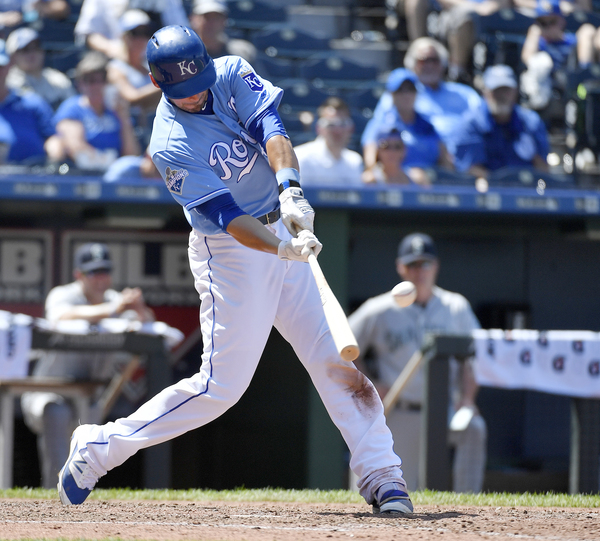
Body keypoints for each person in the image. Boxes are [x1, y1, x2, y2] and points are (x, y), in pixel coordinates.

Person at [57, 25, 413, 516]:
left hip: (279, 222)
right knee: (219, 389)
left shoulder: (230, 73)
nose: (195, 93)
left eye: (198, 80)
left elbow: (273, 130)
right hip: (230, 252)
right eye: (183, 88)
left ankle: (382, 474)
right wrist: (281, 249)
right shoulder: (168, 143)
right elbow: (229, 217)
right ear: (158, 84)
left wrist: (291, 191)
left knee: (336, 360)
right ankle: (99, 448)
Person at [349, 232, 487, 493]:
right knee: (396, 487)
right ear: (401, 267)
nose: (419, 271)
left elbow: (475, 356)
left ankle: (469, 499)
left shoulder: (455, 307)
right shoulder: (379, 309)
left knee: (474, 428)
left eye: (425, 263)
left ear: (436, 266)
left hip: (445, 409)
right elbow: (343, 346)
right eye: (412, 264)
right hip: (399, 410)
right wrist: (368, 385)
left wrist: (468, 398)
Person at [21, 242, 156, 489]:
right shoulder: (64, 294)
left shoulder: (115, 300)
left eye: (105, 271)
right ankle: (54, 492)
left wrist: (139, 308)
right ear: (79, 275)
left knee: (89, 435)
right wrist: (112, 309)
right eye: (93, 272)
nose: (100, 279)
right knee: (56, 413)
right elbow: (58, 316)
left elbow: (149, 326)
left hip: (89, 397)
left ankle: (77, 493)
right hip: (48, 392)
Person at [369, 38, 482, 157]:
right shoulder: (401, 92)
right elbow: (375, 132)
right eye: (423, 60)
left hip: (467, 158)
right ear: (412, 64)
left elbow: (484, 122)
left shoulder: (465, 94)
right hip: (421, 160)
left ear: (444, 64)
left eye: (434, 60)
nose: (429, 65)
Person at [454, 64, 550, 178]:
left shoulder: (531, 122)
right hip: (488, 186)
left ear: (515, 91)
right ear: (485, 92)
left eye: (506, 90)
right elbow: (472, 169)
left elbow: (542, 168)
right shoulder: (471, 124)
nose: (501, 96)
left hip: (526, 185)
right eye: (496, 90)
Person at [362, 68, 453, 185]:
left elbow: (447, 162)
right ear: (391, 94)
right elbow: (370, 163)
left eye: (411, 89)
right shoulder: (380, 123)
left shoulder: (428, 125)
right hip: (398, 184)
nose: (406, 95)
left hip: (432, 184)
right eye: (400, 90)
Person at [54, 51, 141, 172]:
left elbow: (132, 155)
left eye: (102, 80)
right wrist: (108, 162)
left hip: (116, 173)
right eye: (90, 80)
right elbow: (76, 148)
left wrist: (123, 116)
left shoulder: (116, 111)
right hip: (84, 173)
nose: (96, 86)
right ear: (80, 83)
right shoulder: (72, 108)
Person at [520, 0, 597, 109]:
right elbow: (527, 59)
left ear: (561, 21)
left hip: (569, 85)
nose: (547, 27)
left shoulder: (571, 40)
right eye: (542, 23)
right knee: (541, 61)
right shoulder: (538, 42)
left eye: (552, 22)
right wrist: (534, 32)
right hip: (546, 87)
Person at [0, 38, 63, 165]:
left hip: (34, 173)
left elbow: (52, 137)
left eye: (0, 67)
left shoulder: (33, 102)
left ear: (9, 65)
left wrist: (54, 161)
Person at [106, 10, 162, 146]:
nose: (141, 38)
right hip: (130, 135)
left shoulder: (150, 66)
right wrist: (167, 83)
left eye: (145, 33)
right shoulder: (115, 68)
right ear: (124, 36)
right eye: (136, 33)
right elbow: (132, 98)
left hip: (156, 129)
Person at [74, 0, 189, 60]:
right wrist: (116, 51)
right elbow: (88, 33)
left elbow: (181, 34)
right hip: (118, 64)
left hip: (159, 62)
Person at [293, 96, 364, 188]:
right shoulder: (301, 156)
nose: (338, 131)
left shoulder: (354, 161)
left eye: (343, 124)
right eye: (331, 124)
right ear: (318, 128)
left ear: (351, 128)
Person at [5, 26, 75, 110]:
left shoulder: (57, 79)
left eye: (36, 48)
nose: (32, 54)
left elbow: (72, 109)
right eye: (25, 50)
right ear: (12, 55)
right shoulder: (6, 83)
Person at [190, 0, 258, 64]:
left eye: (217, 17)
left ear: (224, 20)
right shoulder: (186, 55)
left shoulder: (244, 52)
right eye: (206, 17)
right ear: (193, 19)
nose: (212, 23)